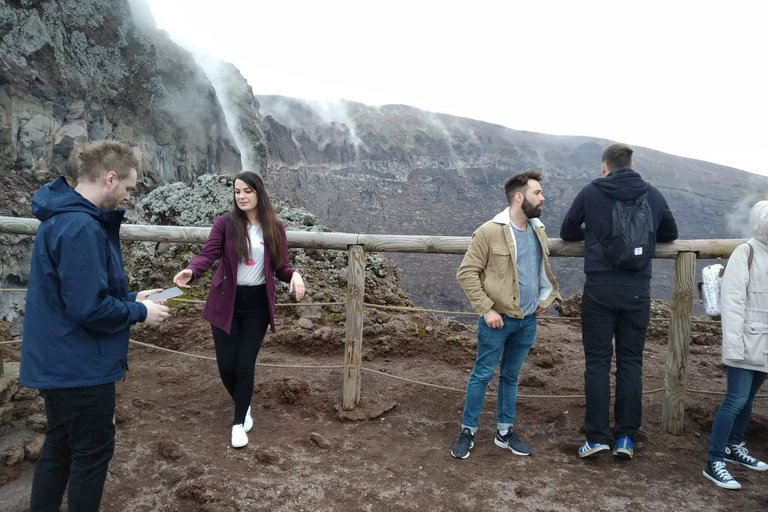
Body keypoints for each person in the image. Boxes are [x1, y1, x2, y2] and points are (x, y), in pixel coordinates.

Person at [19, 140, 171, 512]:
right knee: (91, 453)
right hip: (80, 367)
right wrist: (140, 314)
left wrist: (133, 297)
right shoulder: (80, 227)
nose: (127, 198)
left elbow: (76, 291)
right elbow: (89, 307)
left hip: (58, 360)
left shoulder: (61, 219)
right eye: (128, 189)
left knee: (58, 445)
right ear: (110, 178)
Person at [559, 143, 678, 460]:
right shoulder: (651, 193)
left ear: (604, 166)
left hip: (599, 288)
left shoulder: (591, 192)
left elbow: (567, 229)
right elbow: (670, 232)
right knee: (631, 363)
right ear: (632, 164)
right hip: (638, 290)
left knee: (597, 363)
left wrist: (596, 239)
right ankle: (625, 438)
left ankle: (597, 436)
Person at [173, 171, 306, 448]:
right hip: (225, 301)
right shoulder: (224, 224)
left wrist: (294, 274)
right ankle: (244, 407)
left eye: (247, 191)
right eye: (237, 191)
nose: (242, 196)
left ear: (259, 193)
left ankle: (237, 423)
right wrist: (190, 271)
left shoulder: (275, 227)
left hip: (257, 304)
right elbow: (208, 254)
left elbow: (281, 266)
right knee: (226, 365)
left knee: (244, 365)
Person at [450, 170, 560, 459]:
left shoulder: (539, 231)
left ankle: (504, 432)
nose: (542, 197)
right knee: (482, 375)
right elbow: (466, 273)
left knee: (511, 377)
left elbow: (540, 271)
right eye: (537, 192)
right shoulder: (489, 231)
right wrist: (487, 309)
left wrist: (547, 298)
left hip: (528, 320)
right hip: (497, 320)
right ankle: (467, 431)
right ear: (519, 196)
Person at [702, 201, 768, 489]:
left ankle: (734, 446)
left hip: (764, 344)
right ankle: (714, 460)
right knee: (735, 400)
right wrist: (733, 346)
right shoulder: (746, 252)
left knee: (748, 400)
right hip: (746, 340)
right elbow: (732, 302)